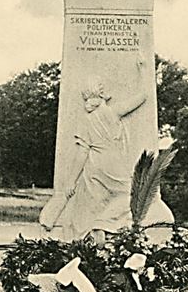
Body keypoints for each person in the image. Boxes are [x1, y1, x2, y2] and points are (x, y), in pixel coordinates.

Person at [54, 56, 149, 245]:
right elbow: (143, 96)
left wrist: (71, 181)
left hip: (94, 165)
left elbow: (82, 153)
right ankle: (101, 224)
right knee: (128, 195)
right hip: (113, 162)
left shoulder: (87, 119)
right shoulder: (113, 112)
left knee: (92, 202)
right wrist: (143, 69)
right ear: (102, 93)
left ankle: (90, 234)